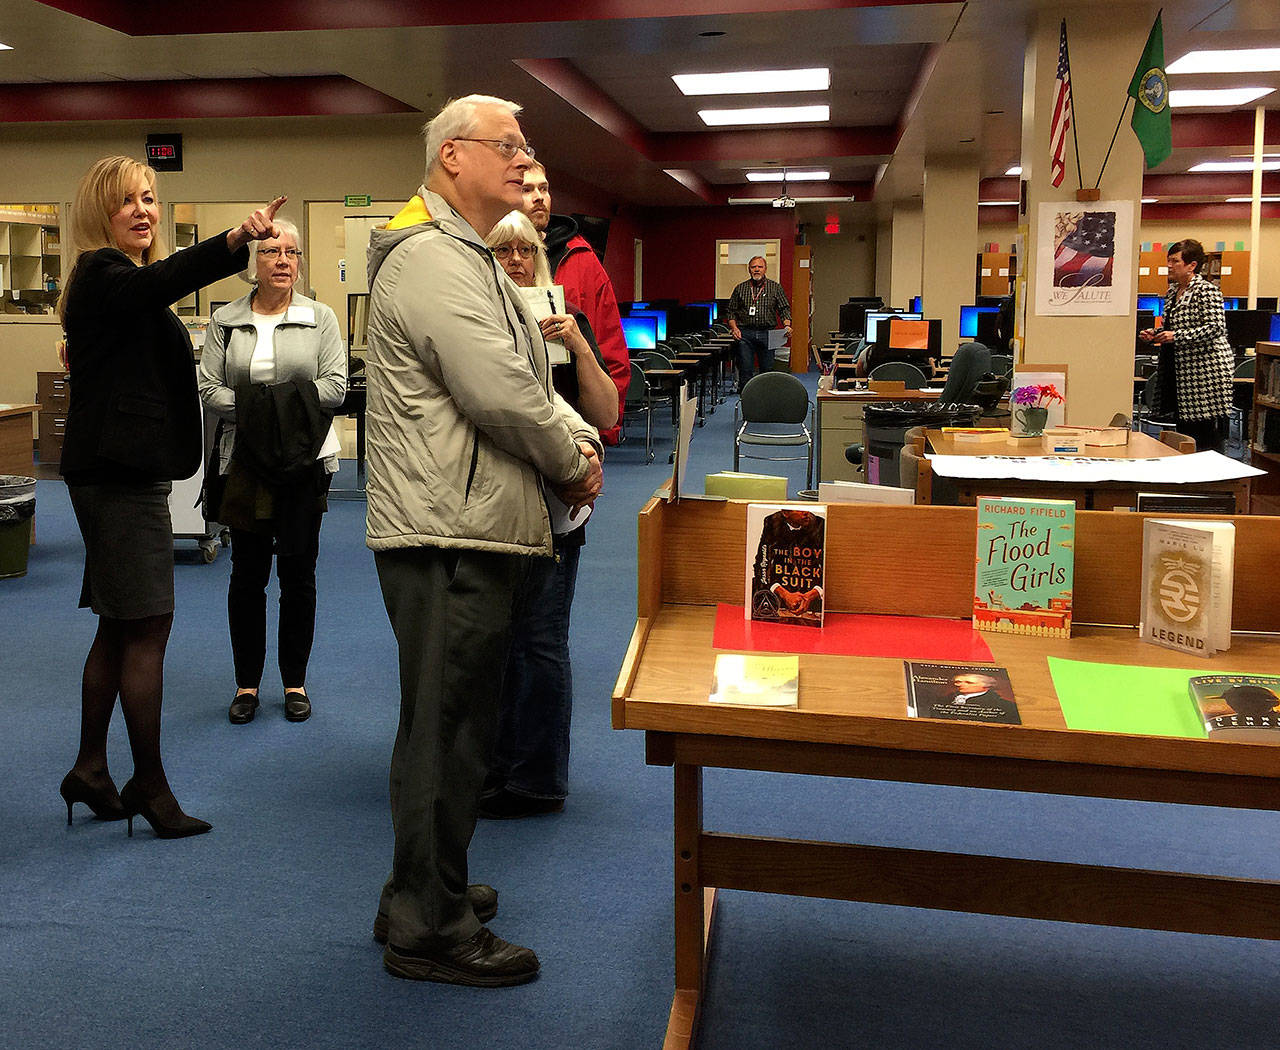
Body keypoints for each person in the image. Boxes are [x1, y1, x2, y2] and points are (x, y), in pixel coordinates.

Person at [364, 94, 603, 986]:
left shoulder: (464, 253)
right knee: (448, 730)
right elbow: (501, 391)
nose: (524, 160)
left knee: (449, 724)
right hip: (447, 530)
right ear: (453, 156)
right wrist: (572, 457)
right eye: (508, 145)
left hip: (461, 518)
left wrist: (573, 442)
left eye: (524, 146)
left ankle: (420, 888)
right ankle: (430, 928)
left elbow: (521, 378)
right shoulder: (433, 257)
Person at [57, 154, 283, 839]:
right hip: (118, 477)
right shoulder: (103, 271)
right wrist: (234, 240)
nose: (143, 211)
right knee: (148, 625)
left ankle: (91, 769)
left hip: (117, 471)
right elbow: (162, 281)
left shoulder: (115, 281)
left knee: (118, 623)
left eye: (150, 198)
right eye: (128, 200)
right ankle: (149, 786)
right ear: (100, 212)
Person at [480, 210, 618, 819]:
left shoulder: (569, 319)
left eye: (525, 251)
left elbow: (607, 411)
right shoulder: (476, 320)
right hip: (494, 504)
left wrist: (577, 344)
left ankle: (536, 780)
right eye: (502, 250)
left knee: (540, 640)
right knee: (497, 643)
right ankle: (496, 767)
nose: (515, 260)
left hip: (560, 505)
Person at [198, 218, 346, 726]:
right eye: (270, 252)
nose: (283, 260)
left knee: (299, 575)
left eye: (291, 253)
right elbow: (209, 389)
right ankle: (247, 684)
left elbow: (336, 386)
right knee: (247, 575)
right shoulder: (226, 320)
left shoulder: (320, 318)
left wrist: (262, 406)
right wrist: (275, 410)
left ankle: (294, 682)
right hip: (244, 462)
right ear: (253, 262)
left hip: (306, 462)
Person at [521, 162, 629, 442]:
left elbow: (610, 344)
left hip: (576, 421)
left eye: (544, 189)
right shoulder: (486, 256)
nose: (539, 197)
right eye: (527, 189)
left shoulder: (581, 257)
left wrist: (605, 428)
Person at [1139, 239, 1233, 453]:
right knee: (1184, 429)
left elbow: (1216, 328)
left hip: (1203, 373)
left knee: (1203, 431)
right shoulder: (1173, 291)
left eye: (1175, 261)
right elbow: (1173, 326)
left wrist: (1176, 336)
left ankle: (1210, 469)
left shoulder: (1206, 290)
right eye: (1168, 260)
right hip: (1179, 370)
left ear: (1192, 265)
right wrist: (1154, 334)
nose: (1169, 265)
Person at [727, 255, 791, 392]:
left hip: (768, 333)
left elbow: (784, 309)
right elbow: (731, 311)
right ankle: (746, 398)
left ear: (765, 269)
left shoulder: (775, 288)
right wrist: (734, 328)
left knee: (767, 369)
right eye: (753, 267)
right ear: (749, 269)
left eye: (760, 267)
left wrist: (787, 325)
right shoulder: (740, 288)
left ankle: (765, 397)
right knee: (745, 368)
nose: (757, 269)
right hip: (745, 334)